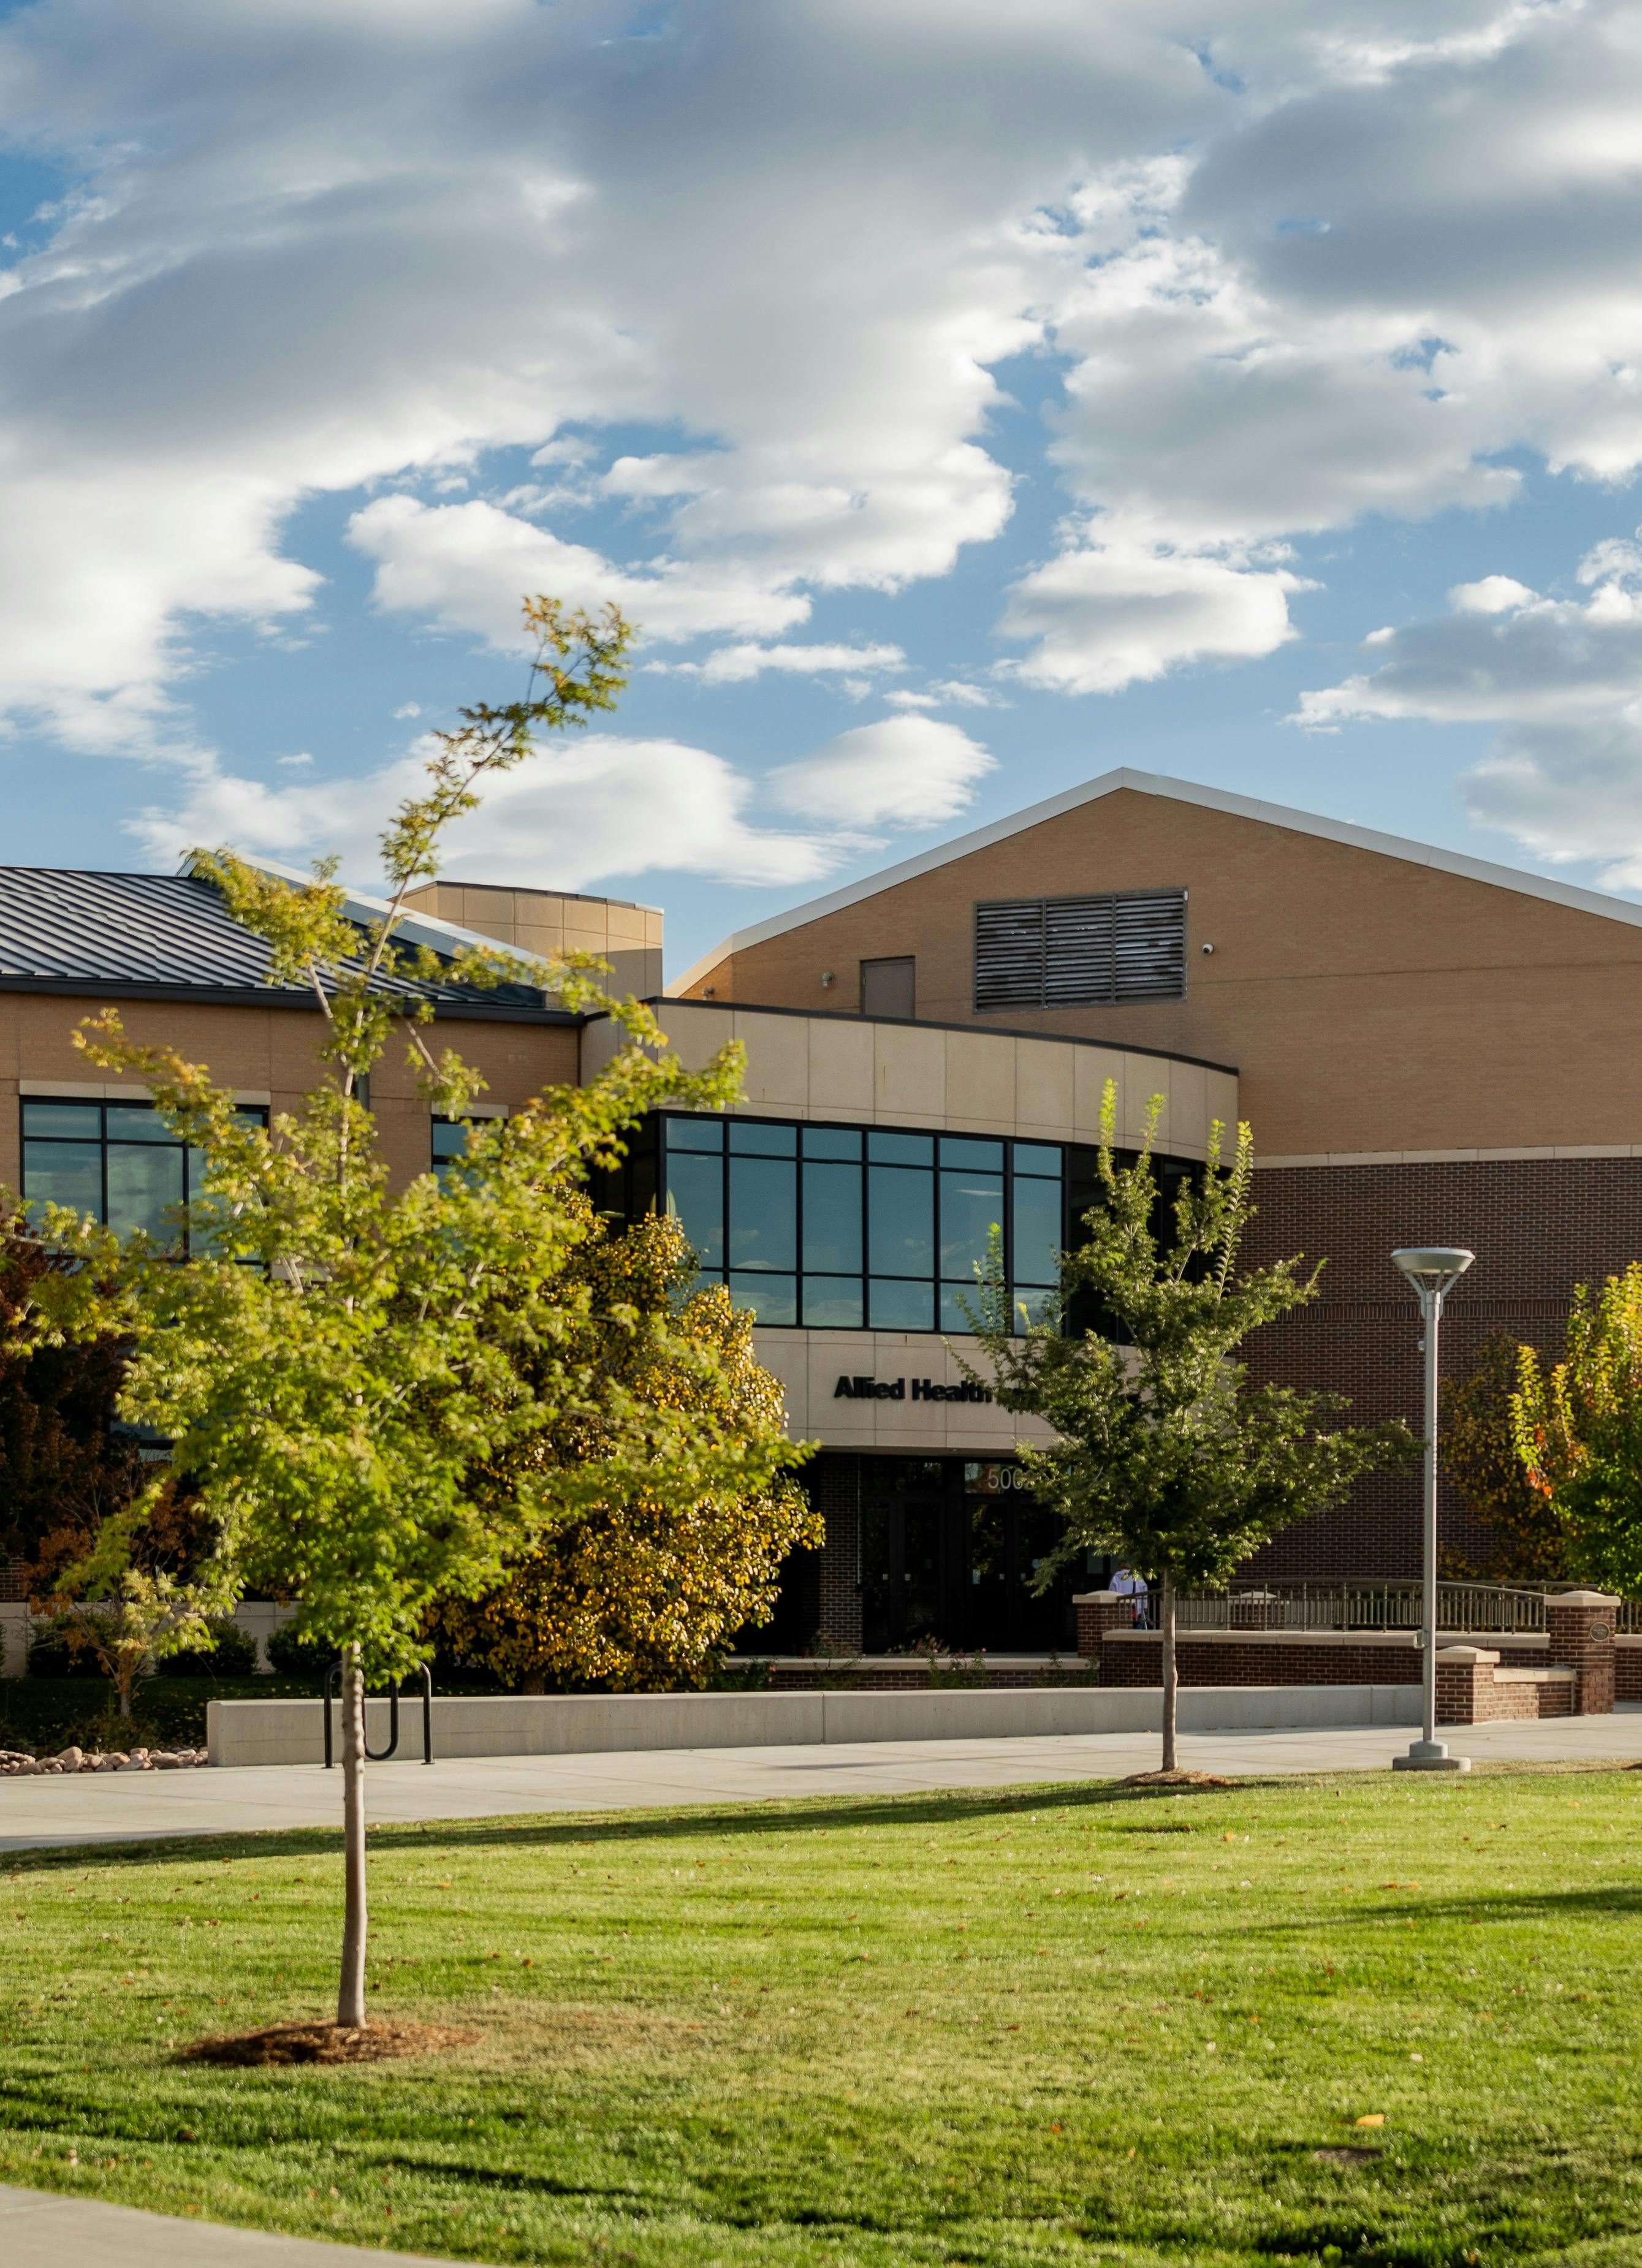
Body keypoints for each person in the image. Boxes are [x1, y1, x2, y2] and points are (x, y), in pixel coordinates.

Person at [1109, 1564, 1150, 1629]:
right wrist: (1145, 1606)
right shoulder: (1137, 1575)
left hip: (1122, 1610)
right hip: (1137, 1609)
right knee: (1139, 1633)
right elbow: (1145, 1589)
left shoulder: (1116, 1577)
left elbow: (1111, 1593)